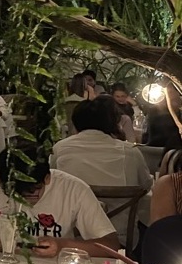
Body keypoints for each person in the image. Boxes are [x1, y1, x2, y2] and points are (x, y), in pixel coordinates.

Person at [0, 149, 120, 258]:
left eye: (31, 193)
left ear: (47, 178)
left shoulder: (73, 189)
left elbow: (110, 244)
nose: (22, 200)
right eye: (14, 193)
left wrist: (62, 245)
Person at [52, 97, 152, 245]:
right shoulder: (130, 152)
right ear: (111, 122)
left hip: (70, 237)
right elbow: (146, 186)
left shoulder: (60, 149)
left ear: (76, 122)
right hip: (120, 237)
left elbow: (52, 183)